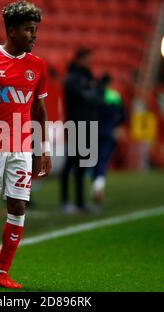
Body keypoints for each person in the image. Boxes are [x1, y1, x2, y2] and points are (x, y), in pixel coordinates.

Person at [0, 1, 51, 289]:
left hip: (22, 148)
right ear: (12, 31)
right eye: (29, 30)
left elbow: (39, 111)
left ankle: (2, 272)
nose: (34, 36)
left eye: (35, 30)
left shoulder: (38, 66)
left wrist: (42, 148)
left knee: (17, 206)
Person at [60, 48, 100, 214]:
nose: (89, 63)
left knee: (82, 165)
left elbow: (95, 96)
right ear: (79, 60)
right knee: (72, 162)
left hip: (87, 123)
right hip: (76, 124)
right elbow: (87, 96)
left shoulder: (86, 77)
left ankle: (80, 202)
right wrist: (92, 91)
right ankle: (65, 201)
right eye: (87, 59)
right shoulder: (72, 79)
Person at [92, 74, 125, 204]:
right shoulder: (114, 96)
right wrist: (115, 126)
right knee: (103, 160)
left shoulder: (94, 94)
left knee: (94, 160)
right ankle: (98, 186)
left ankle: (95, 186)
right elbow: (122, 115)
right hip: (108, 131)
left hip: (93, 131)